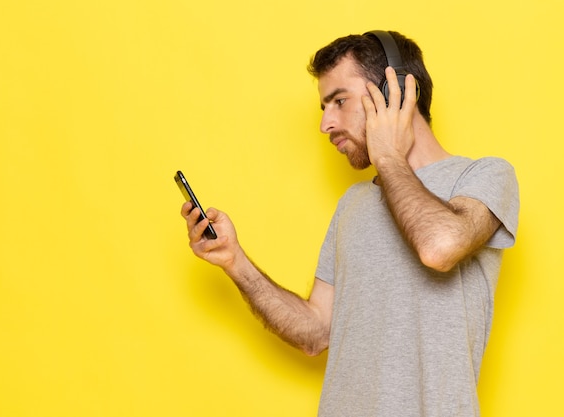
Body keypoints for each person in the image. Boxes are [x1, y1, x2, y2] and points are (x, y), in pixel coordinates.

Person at [180, 30, 519, 417]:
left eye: (339, 101)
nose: (325, 124)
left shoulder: (485, 177)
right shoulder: (353, 205)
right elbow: (315, 331)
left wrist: (388, 154)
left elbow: (439, 248)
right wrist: (234, 260)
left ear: (394, 93)